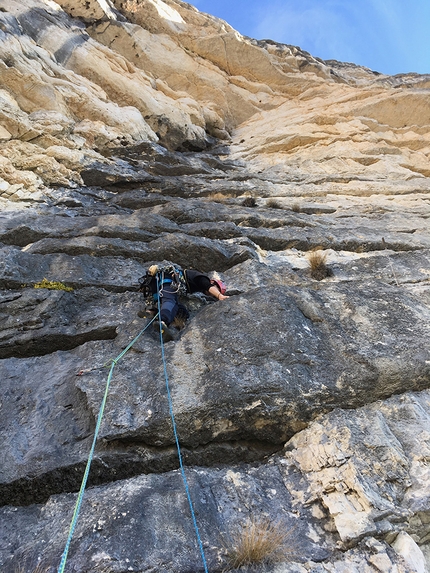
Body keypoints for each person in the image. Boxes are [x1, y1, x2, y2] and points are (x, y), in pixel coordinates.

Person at [138, 263, 229, 341]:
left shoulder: (197, 286)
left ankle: (153, 312)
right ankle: (162, 321)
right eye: (214, 292)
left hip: (161, 286)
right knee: (170, 301)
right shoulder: (203, 279)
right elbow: (207, 285)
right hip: (167, 281)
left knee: (183, 312)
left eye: (213, 296)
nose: (211, 295)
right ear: (214, 283)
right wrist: (219, 295)